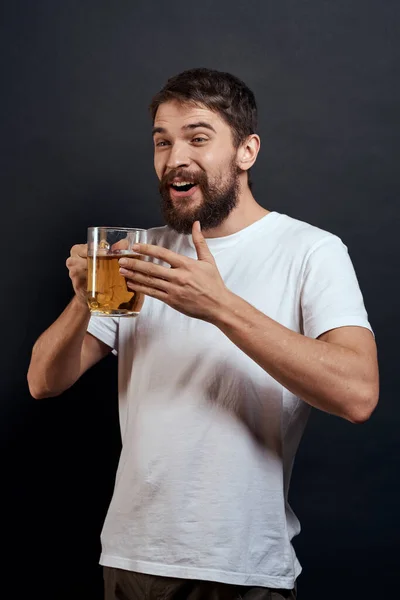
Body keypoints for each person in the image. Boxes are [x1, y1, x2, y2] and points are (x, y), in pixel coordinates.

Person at [27, 68, 379, 600]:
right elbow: (43, 381)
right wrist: (83, 298)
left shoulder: (312, 251)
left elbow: (358, 393)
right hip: (129, 560)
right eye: (161, 142)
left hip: (241, 568)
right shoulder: (138, 253)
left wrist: (219, 306)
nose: (174, 159)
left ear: (246, 151)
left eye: (197, 137)